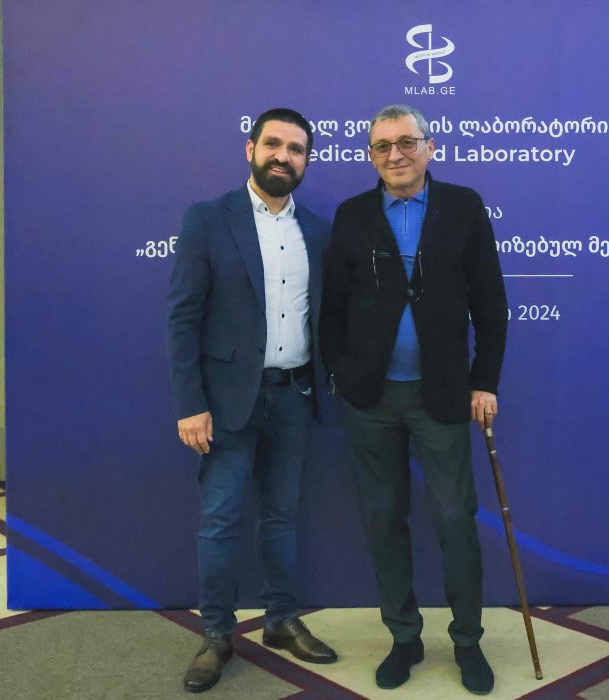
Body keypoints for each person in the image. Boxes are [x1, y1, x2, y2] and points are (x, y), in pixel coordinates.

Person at [320, 104, 508, 695]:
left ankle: (468, 641)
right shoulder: (352, 214)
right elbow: (332, 307)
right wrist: (340, 377)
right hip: (370, 401)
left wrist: (485, 381)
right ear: (370, 156)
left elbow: (491, 302)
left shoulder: (464, 206)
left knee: (455, 521)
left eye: (406, 142)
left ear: (430, 147)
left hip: (442, 396)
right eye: (382, 146)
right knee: (383, 521)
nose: (395, 155)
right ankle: (404, 638)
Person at [166, 107, 337, 694]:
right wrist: (190, 403)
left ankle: (281, 620)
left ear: (306, 161)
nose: (283, 156)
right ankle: (216, 634)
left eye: (296, 149)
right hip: (225, 404)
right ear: (251, 149)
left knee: (281, 516)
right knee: (219, 520)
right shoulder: (209, 219)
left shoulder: (318, 230)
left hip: (294, 398)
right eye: (273, 144)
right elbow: (182, 317)